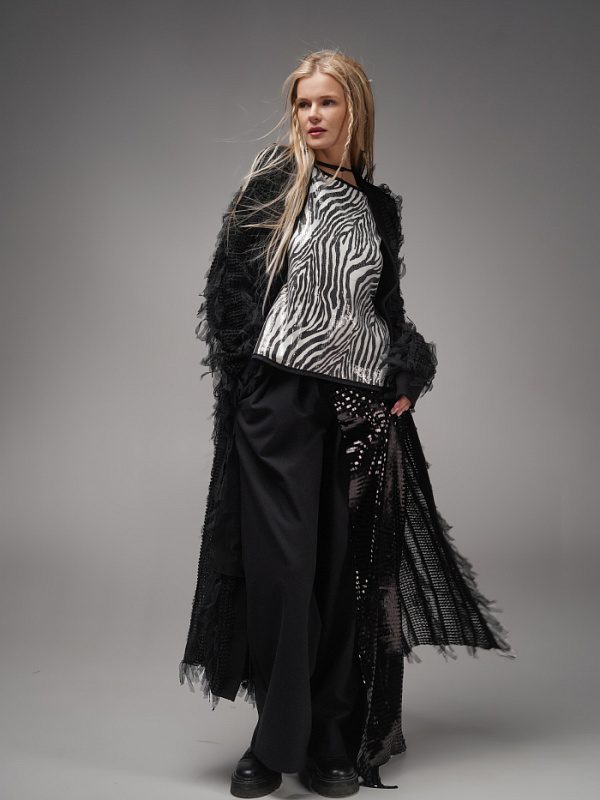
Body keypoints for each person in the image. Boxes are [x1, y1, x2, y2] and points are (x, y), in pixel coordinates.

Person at [179, 50, 513, 799]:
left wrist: (408, 368)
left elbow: (382, 308)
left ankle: (331, 743)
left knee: (342, 575)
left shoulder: (377, 207)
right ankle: (273, 744)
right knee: (283, 573)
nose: (313, 115)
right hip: (280, 401)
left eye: (327, 102)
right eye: (303, 103)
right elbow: (229, 290)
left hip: (358, 406)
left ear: (354, 109)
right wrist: (250, 388)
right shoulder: (273, 184)